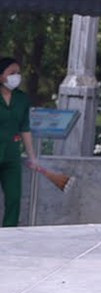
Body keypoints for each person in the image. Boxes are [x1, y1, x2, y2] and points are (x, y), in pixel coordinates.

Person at [0, 58, 60, 226]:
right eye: (11, 73)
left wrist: (32, 156)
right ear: (1, 76)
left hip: (12, 153)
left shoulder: (21, 99)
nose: (16, 77)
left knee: (14, 197)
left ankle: (8, 233)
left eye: (18, 73)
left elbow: (25, 128)